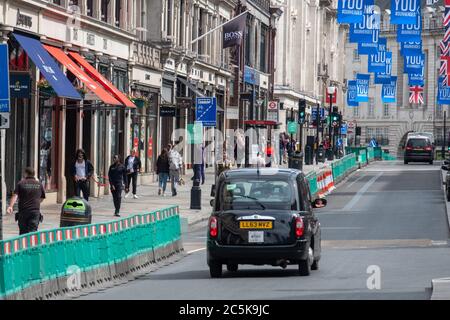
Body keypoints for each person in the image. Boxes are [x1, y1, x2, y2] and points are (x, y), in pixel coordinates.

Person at [6, 167, 46, 235]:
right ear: (34, 174)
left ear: (26, 174)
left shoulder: (21, 183)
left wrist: (10, 206)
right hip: (35, 212)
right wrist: (36, 202)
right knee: (33, 232)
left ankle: (23, 245)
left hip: (23, 212)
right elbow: (42, 198)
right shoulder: (39, 184)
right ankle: (31, 245)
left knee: (23, 232)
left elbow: (15, 196)